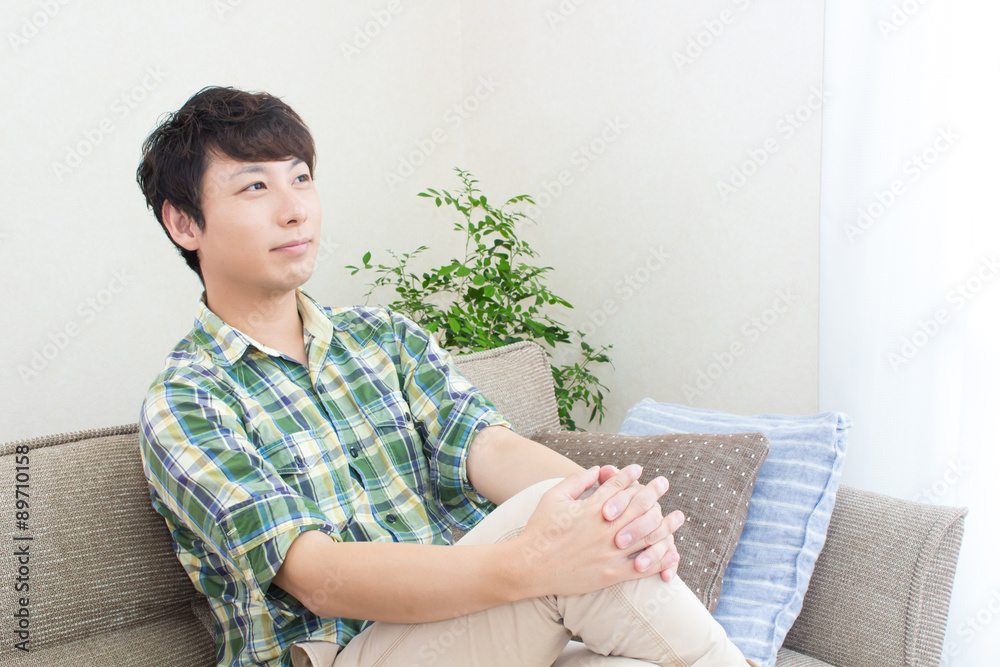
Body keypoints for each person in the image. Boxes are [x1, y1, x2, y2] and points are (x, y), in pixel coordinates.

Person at [136, 86, 755, 667]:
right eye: (255, 187)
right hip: (345, 653)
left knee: (596, 549)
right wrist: (533, 560)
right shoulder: (187, 400)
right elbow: (320, 579)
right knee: (551, 523)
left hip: (480, 628)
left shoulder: (384, 338)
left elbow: (490, 448)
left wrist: (617, 512)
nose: (295, 210)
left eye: (301, 178)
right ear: (185, 224)